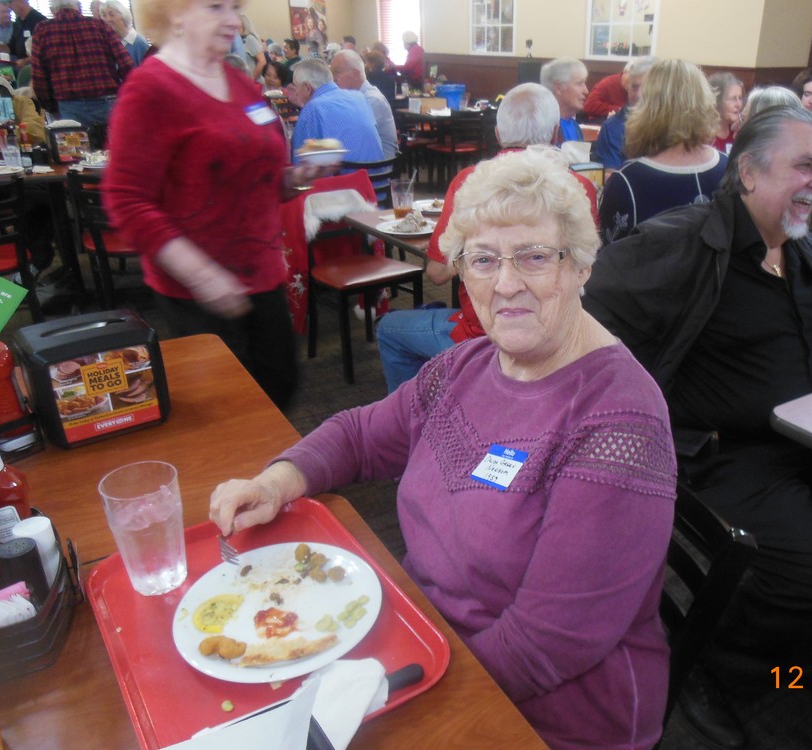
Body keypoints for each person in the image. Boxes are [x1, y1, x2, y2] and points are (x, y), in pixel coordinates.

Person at [211, 147, 677, 750]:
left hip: (544, 715)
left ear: (582, 265)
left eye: (535, 256)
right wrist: (276, 482)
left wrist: (403, 695)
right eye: (482, 260)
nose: (506, 283)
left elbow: (547, 646)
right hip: (429, 639)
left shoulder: (618, 422)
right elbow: (359, 434)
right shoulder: (468, 363)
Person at [584, 106, 812, 748]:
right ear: (749, 173)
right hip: (724, 453)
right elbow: (588, 308)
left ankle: (807, 642)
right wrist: (628, 413)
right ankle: (708, 657)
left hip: (811, 433)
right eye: (803, 166)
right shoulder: (686, 240)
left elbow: (806, 341)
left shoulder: (795, 244)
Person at [103, 0, 337, 410]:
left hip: (262, 272)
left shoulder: (238, 83)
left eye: (235, 7)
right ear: (175, 12)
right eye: (215, 7)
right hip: (198, 289)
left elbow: (261, 175)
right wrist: (201, 275)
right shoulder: (151, 89)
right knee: (230, 409)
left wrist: (297, 177)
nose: (233, 21)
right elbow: (126, 199)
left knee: (279, 386)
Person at [376, 84, 599, 392]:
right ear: (554, 134)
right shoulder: (580, 188)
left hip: (484, 336)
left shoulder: (470, 182)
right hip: (559, 337)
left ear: (497, 134)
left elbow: (437, 273)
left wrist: (469, 252)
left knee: (388, 329)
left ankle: (425, 413)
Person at [599, 59, 727, 244]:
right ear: (705, 102)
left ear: (648, 106)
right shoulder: (729, 167)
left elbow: (610, 257)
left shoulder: (627, 182)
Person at [30, 0, 132, 131]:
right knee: (111, 143)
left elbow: (39, 78)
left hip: (68, 106)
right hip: (106, 102)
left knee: (74, 144)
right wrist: (125, 94)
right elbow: (126, 63)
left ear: (52, 9)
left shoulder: (42, 31)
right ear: (78, 6)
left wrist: (52, 107)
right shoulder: (99, 26)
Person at [289, 57, 384, 165]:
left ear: (307, 87)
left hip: (348, 175)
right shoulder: (359, 97)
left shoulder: (312, 109)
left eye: (296, 86)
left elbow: (299, 163)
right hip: (381, 173)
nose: (296, 92)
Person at [592, 55, 656, 171]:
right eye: (634, 87)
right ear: (627, 88)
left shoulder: (672, 126)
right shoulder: (613, 127)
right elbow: (611, 175)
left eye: (646, 87)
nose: (638, 94)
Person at [330, 48, 397, 158]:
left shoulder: (372, 99)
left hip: (378, 162)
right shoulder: (352, 97)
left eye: (336, 72)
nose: (333, 79)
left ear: (355, 74)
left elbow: (352, 134)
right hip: (361, 155)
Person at [540, 57, 588, 144]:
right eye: (579, 84)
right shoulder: (543, 128)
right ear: (558, 87)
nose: (586, 91)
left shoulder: (575, 127)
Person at [100, 0, 149, 66]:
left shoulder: (140, 44)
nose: (107, 19)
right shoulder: (108, 44)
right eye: (104, 15)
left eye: (111, 15)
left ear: (123, 15)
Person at [708, 71, 743, 153]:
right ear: (716, 101)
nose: (739, 104)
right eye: (733, 99)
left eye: (740, 98)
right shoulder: (704, 136)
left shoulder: (738, 133)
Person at [238, 12, 264, 81]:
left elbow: (262, 61)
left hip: (254, 82)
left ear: (244, 26)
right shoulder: (237, 42)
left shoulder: (249, 39)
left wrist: (252, 79)